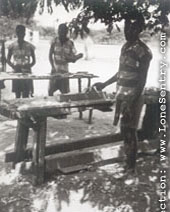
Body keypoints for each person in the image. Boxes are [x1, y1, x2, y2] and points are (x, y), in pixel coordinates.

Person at [93, 15, 153, 175]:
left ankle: (131, 167)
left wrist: (131, 102)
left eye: (132, 28)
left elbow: (142, 80)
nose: (128, 31)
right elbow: (121, 72)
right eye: (126, 27)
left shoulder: (144, 52)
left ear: (140, 29)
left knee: (129, 130)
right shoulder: (125, 46)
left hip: (133, 96)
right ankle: (128, 162)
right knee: (124, 130)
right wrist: (105, 84)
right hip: (122, 94)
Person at [48, 23, 83, 96]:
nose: (62, 33)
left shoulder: (70, 43)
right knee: (50, 92)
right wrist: (52, 66)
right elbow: (50, 55)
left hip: (65, 72)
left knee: (65, 94)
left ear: (66, 32)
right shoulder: (54, 41)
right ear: (58, 31)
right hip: (55, 71)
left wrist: (77, 57)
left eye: (64, 31)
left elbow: (73, 59)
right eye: (60, 31)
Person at [7, 25, 36, 98]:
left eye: (22, 33)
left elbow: (34, 61)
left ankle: (25, 108)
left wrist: (29, 66)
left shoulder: (30, 46)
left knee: (26, 94)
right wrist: (13, 66)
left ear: (24, 34)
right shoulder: (12, 46)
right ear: (16, 33)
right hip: (16, 72)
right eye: (18, 33)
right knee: (17, 94)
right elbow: (8, 60)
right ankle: (18, 109)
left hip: (26, 72)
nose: (20, 35)